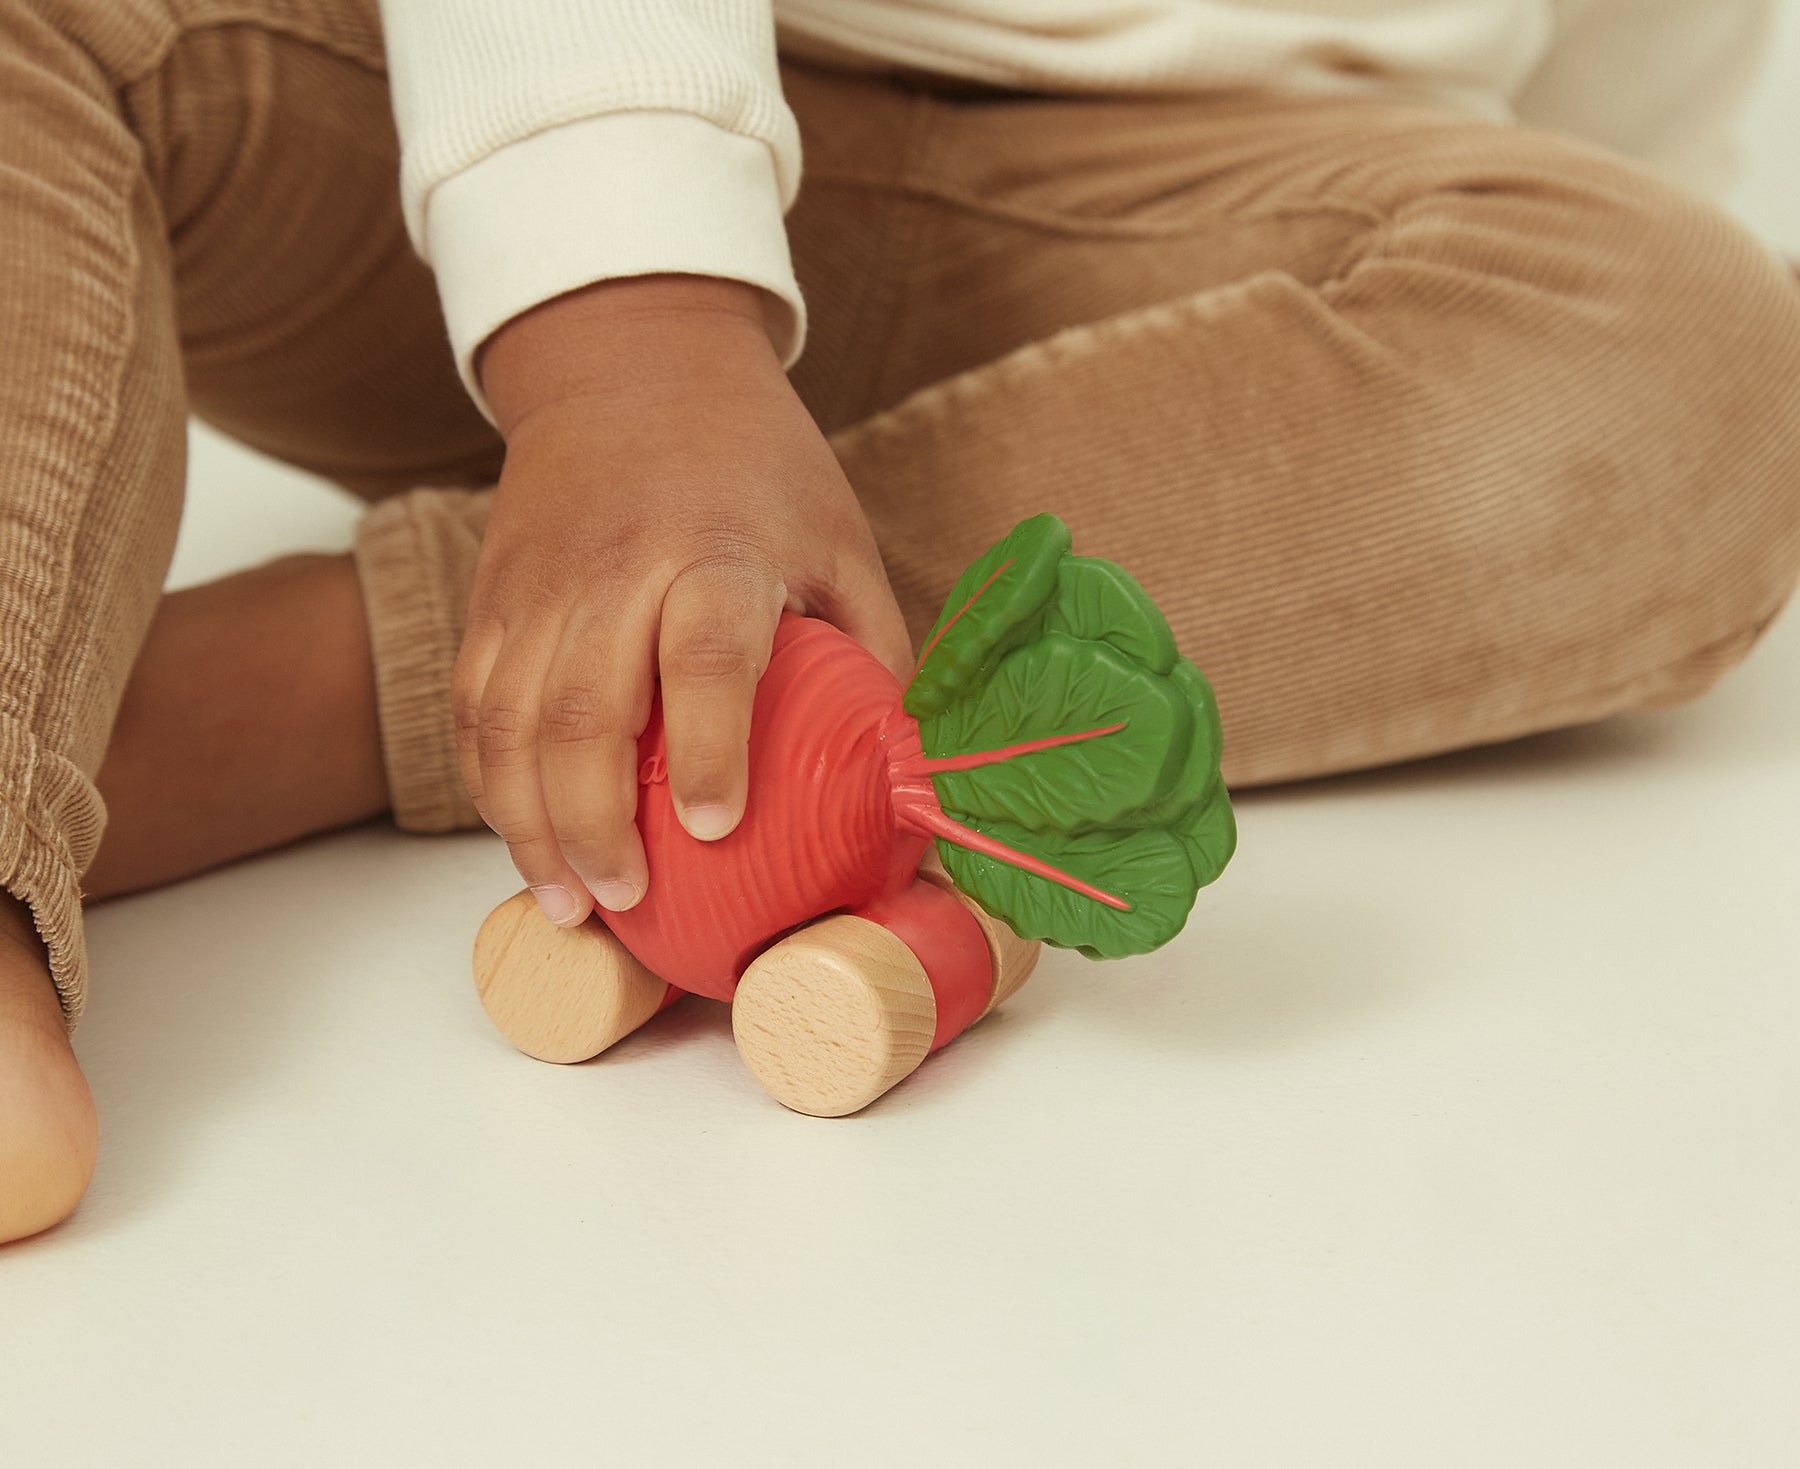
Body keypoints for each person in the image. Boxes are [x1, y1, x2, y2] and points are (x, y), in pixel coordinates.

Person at [3, 0, 1798, 1243]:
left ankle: (350, 686)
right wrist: (629, 330)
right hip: (475, 111)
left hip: (1227, 224)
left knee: (1708, 360)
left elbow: (1641, 130)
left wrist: (1563, 283)